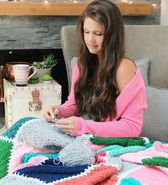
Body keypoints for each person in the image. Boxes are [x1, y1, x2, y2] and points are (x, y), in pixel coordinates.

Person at [44, 0, 147, 138]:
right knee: (24, 126)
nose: (90, 40)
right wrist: (58, 111)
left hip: (108, 143)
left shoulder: (123, 69)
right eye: (86, 32)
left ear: (112, 36)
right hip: (80, 137)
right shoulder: (81, 64)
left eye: (98, 34)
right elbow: (74, 105)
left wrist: (83, 127)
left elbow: (132, 127)